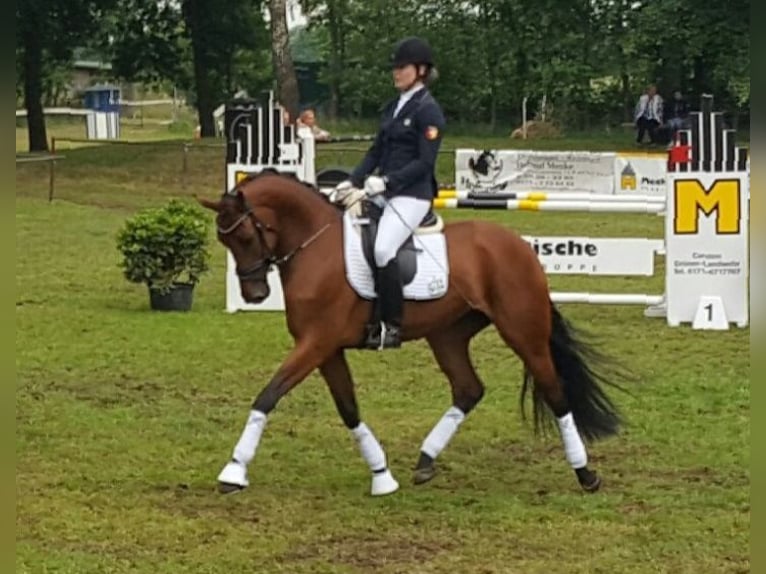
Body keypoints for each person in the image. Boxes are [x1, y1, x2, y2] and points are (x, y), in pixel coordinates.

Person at [334, 36, 445, 350]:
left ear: (421, 70)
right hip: (385, 191)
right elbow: (375, 151)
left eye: (402, 67)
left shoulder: (429, 111)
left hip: (412, 195)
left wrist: (387, 182)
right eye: (394, 68)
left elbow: (425, 163)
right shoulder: (392, 107)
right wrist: (352, 180)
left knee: (383, 249)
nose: (396, 73)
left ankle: (391, 325)